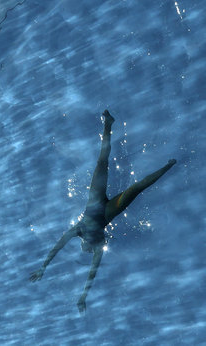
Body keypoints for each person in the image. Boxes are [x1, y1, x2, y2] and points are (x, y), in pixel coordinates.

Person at [29, 110, 175, 312]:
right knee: (136, 188)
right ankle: (168, 166)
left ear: (83, 244)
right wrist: (83, 296)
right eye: (88, 250)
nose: (88, 250)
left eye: (85, 248)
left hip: (94, 201)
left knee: (102, 161)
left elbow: (57, 247)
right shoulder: (98, 245)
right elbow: (92, 273)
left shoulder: (78, 230)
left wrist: (44, 266)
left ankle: (108, 124)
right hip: (107, 212)